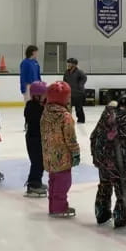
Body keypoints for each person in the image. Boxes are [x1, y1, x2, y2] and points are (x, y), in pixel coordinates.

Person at [90, 92, 126, 229]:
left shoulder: (108, 112)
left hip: (102, 157)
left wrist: (95, 155)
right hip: (116, 161)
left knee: (104, 184)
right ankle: (121, 217)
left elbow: (95, 134)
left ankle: (101, 213)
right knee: (122, 188)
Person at [41, 81, 80, 218]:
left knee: (53, 180)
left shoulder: (45, 113)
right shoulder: (65, 116)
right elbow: (70, 138)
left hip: (48, 155)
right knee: (63, 182)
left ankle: (53, 205)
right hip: (62, 156)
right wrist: (75, 152)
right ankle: (59, 207)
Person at [24, 81, 48, 197]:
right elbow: (37, 121)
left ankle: (36, 181)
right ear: (37, 95)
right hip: (34, 139)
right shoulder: (32, 107)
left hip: (37, 138)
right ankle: (33, 184)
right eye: (44, 95)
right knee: (37, 162)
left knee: (41, 162)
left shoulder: (37, 105)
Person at [64, 57, 87, 124]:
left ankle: (81, 119)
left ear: (74, 65)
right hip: (69, 93)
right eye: (68, 63)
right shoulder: (66, 72)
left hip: (78, 93)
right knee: (68, 107)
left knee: (78, 108)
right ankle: (68, 120)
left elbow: (84, 78)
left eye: (69, 63)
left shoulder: (79, 72)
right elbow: (64, 81)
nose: (68, 65)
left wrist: (80, 85)